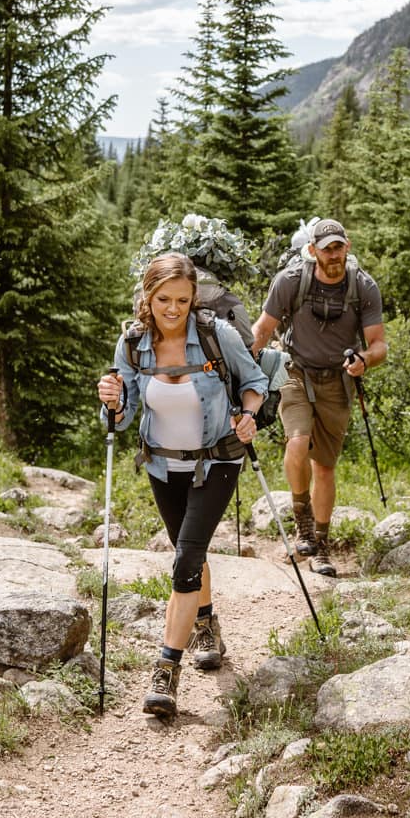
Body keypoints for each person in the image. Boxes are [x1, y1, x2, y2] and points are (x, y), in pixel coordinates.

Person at [96, 253, 268, 719]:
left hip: (217, 460)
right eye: (163, 299)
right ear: (147, 298)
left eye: (183, 300)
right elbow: (125, 412)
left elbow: (254, 382)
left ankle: (166, 670)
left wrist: (249, 415)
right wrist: (111, 401)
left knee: (186, 559)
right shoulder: (132, 344)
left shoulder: (217, 335)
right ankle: (206, 622)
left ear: (194, 300)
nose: (173, 309)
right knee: (185, 552)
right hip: (162, 466)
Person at [249, 218, 386, 577]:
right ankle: (303, 522)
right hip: (295, 372)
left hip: (337, 382)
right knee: (298, 441)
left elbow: (379, 345)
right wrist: (243, 367)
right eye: (327, 249)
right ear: (313, 251)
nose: (334, 254)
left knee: (324, 467)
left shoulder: (363, 286)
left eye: (339, 247)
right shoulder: (291, 281)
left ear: (347, 246)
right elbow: (263, 329)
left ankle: (322, 548)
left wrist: (364, 360)